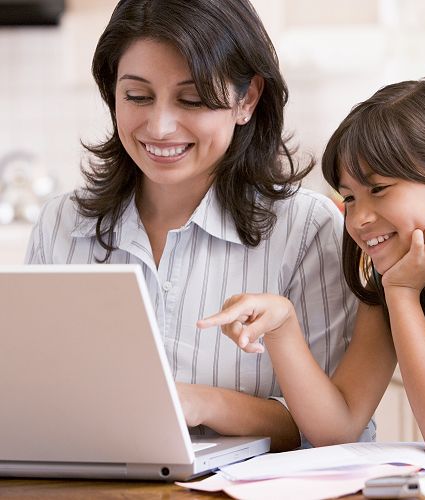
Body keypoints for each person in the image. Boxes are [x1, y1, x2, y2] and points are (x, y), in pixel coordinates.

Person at [24, 0, 360, 451]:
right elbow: (32, 400)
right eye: (137, 96)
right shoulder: (60, 224)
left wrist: (198, 404)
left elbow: (328, 430)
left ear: (247, 99)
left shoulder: (306, 229)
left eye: (193, 99)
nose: (160, 127)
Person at [198, 77, 425, 463]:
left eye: (379, 189)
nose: (358, 219)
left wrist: (403, 293)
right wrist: (282, 327)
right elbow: (338, 427)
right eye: (350, 198)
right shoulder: (394, 282)